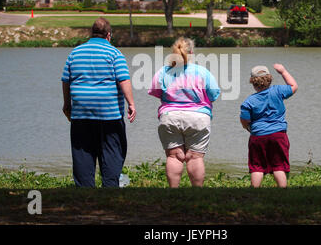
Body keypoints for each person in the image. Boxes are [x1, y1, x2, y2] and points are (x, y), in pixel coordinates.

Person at [61, 17, 136, 188]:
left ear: (91, 33)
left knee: (83, 154)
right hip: (110, 115)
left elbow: (66, 80)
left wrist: (67, 104)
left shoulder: (75, 53)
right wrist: (131, 103)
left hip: (81, 114)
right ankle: (110, 189)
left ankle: (85, 193)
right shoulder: (114, 53)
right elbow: (123, 79)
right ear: (109, 35)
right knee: (112, 152)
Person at [148, 37, 220, 187]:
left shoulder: (164, 71)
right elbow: (214, 95)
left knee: (174, 157)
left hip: (170, 117)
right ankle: (197, 194)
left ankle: (174, 192)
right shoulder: (202, 72)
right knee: (195, 157)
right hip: (199, 117)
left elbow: (155, 92)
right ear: (192, 53)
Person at [240, 64, 297, 188]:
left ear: (252, 82)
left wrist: (248, 128)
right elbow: (293, 86)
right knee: (279, 166)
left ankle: (254, 190)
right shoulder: (278, 91)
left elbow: (244, 120)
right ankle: (282, 190)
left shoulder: (248, 102)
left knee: (257, 167)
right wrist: (283, 71)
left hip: (258, 136)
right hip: (278, 135)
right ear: (269, 79)